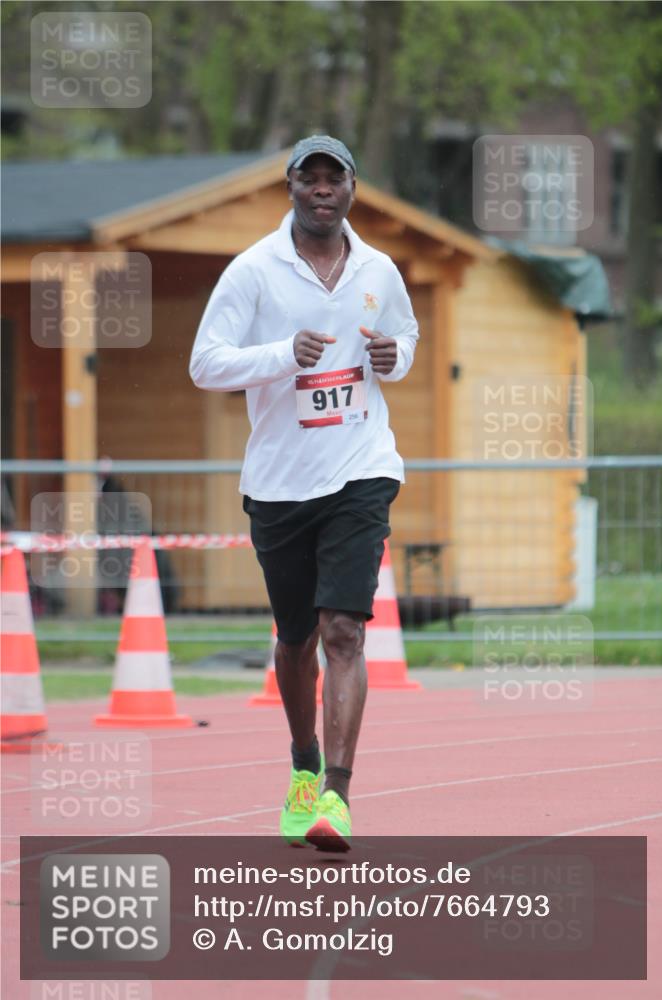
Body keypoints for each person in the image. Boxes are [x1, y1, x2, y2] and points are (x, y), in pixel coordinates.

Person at [190, 135, 418, 851]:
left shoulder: (379, 268)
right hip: (281, 482)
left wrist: (395, 356)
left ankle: (336, 798)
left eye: (335, 178)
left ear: (353, 188)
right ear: (290, 187)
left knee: (343, 630)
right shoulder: (253, 271)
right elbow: (205, 364)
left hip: (360, 466)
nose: (322, 188)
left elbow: (404, 334)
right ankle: (302, 763)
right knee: (295, 639)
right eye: (308, 177)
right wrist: (282, 354)